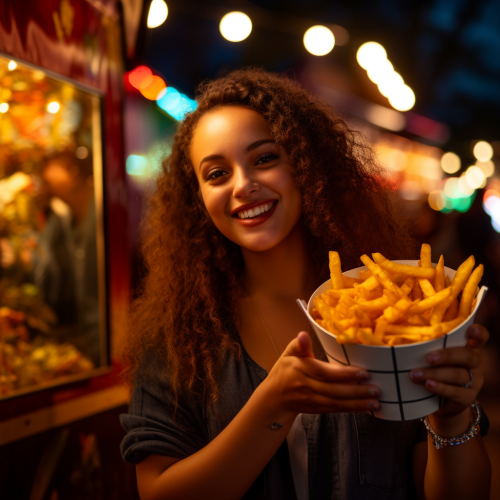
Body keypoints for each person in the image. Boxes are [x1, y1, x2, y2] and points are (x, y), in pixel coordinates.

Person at [120, 69, 491, 500]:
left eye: (264, 158)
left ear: (305, 163)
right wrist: (273, 404)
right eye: (217, 174)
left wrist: (452, 419)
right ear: (197, 198)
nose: (244, 185)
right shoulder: (177, 336)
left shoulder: (404, 309)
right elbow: (156, 492)